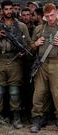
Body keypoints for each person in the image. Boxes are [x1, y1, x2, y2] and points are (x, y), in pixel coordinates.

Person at [0, 0, 31, 129]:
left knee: (14, 91)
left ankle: (16, 118)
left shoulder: (21, 26)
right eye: (6, 9)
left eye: (11, 9)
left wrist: (23, 52)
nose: (9, 11)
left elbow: (28, 43)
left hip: (15, 61)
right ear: (2, 10)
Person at [30, 3, 58, 133]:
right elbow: (30, 47)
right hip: (41, 64)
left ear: (56, 13)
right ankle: (37, 118)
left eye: (52, 15)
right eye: (47, 16)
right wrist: (35, 44)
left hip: (56, 64)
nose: (50, 18)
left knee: (57, 94)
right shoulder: (39, 29)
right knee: (39, 93)